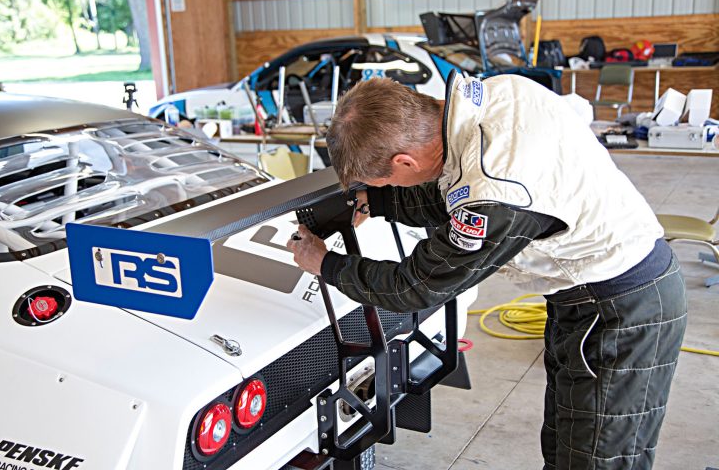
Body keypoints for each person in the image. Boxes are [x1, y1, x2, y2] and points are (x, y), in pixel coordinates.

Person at [286, 71, 686, 469]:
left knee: (596, 460)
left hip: (619, 311)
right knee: (566, 446)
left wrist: (326, 263)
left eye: (386, 182)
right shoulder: (495, 94)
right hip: (594, 294)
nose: (390, 189)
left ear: (404, 161)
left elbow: (416, 285)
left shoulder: (495, 192)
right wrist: (378, 202)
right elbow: (453, 188)